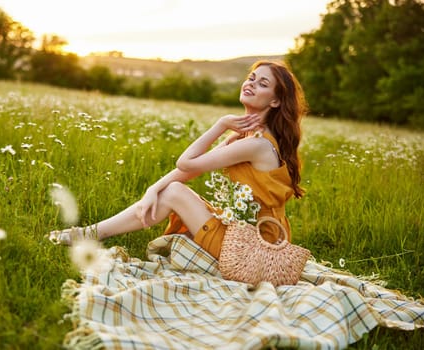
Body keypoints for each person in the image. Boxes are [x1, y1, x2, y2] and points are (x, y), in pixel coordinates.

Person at [49, 60, 307, 259]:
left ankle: (90, 234)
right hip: (242, 231)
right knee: (169, 191)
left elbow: (186, 163)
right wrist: (152, 189)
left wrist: (220, 125)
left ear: (275, 100)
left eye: (262, 83)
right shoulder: (247, 136)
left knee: (173, 192)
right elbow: (191, 171)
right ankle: (91, 233)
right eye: (251, 77)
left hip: (252, 247)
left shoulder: (256, 144)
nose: (250, 83)